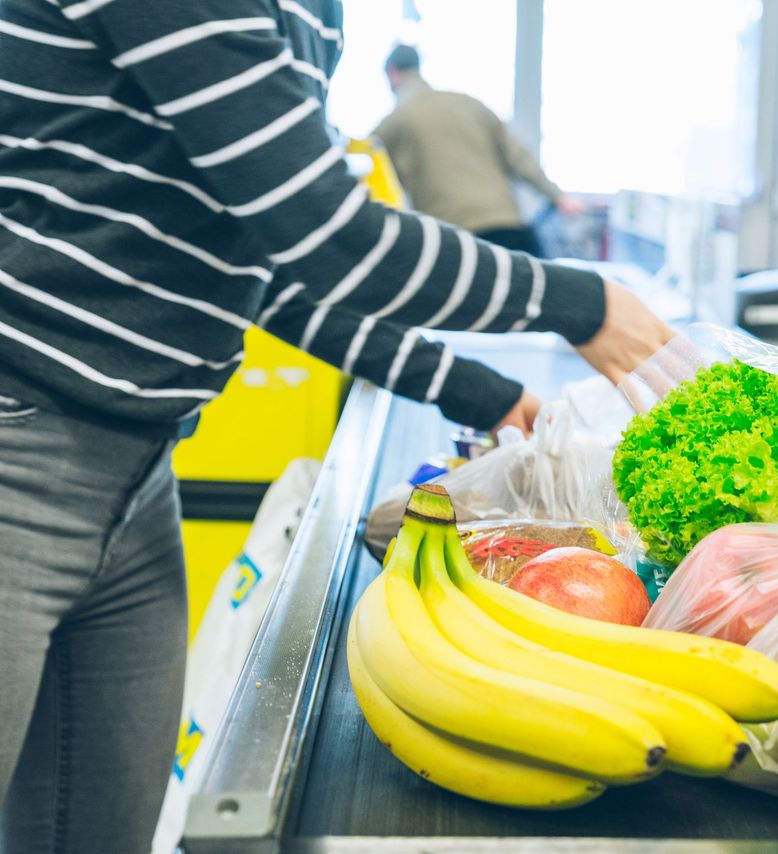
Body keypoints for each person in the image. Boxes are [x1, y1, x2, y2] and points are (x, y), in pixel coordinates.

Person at [0, 1, 672, 850]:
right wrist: (577, 300)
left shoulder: (307, 12)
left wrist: (476, 390)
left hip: (135, 472)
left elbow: (261, 264)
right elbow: (322, 234)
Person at [374, 44, 582, 258]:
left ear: (392, 73)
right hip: (511, 232)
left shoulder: (393, 123)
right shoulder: (470, 104)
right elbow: (519, 158)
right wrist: (558, 196)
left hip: (456, 243)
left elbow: (368, 183)